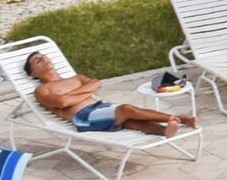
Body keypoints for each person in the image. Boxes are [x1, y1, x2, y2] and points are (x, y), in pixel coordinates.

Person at [23, 48, 197, 137]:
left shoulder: (75, 77)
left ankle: (164, 131)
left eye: (45, 56)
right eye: (38, 61)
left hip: (101, 108)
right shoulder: (41, 90)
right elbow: (62, 103)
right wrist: (82, 92)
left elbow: (96, 84)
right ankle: (177, 118)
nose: (44, 59)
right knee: (127, 109)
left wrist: (71, 96)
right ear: (33, 74)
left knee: (134, 121)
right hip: (84, 117)